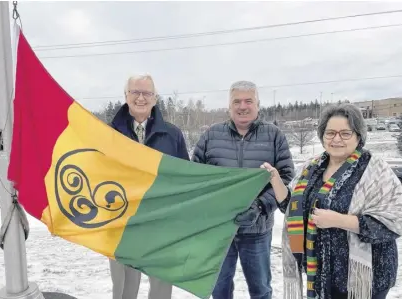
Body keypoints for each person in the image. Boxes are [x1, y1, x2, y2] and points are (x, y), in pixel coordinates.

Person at [262, 103, 402, 299]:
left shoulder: (375, 170)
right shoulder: (311, 168)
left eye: (345, 133)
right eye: (330, 133)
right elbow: (291, 208)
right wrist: (275, 179)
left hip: (364, 280)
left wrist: (339, 220)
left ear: (358, 136)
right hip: (322, 274)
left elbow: (394, 222)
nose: (337, 139)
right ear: (322, 136)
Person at [192, 80, 295, 299]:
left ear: (258, 104)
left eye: (248, 100)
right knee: (219, 290)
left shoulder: (274, 135)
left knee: (261, 290)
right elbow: (195, 177)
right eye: (236, 101)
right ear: (229, 106)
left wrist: (260, 206)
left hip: (257, 231)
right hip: (219, 230)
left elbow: (284, 177)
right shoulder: (211, 136)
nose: (242, 106)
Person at [109, 74, 189, 299]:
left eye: (147, 93)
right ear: (126, 96)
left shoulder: (172, 135)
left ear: (155, 98)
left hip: (161, 225)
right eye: (135, 92)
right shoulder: (108, 134)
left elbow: (185, 177)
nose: (141, 98)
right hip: (122, 223)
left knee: (161, 288)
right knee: (124, 288)